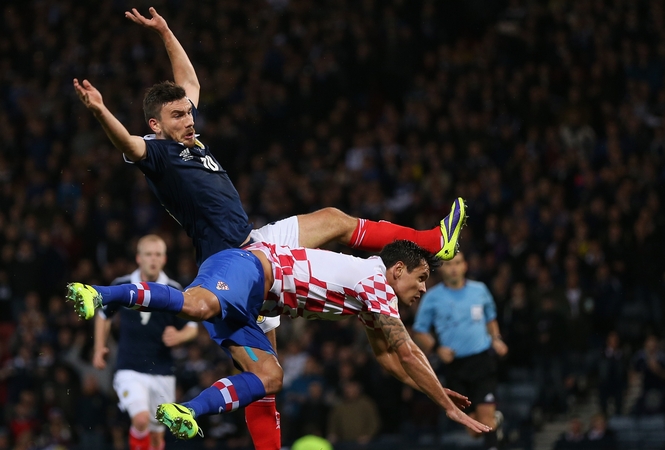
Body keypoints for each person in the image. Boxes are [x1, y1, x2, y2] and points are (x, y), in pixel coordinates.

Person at [77, 7, 468, 449]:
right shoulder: (157, 154)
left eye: (189, 114)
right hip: (233, 265)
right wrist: (100, 111)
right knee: (264, 375)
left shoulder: (189, 138)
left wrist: (166, 32)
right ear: (155, 125)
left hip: (257, 244)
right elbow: (125, 143)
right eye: (178, 117)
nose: (189, 120)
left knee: (333, 222)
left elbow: (190, 84)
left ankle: (435, 242)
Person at [65, 240, 491, 440]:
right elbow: (407, 350)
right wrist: (446, 406)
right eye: (420, 279)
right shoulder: (376, 281)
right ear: (399, 269)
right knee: (196, 307)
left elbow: (387, 357)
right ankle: (102, 293)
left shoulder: (367, 295)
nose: (421, 290)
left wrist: (430, 387)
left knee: (270, 376)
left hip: (253, 306)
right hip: (247, 268)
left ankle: (188, 411)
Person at [92, 235, 198, 450]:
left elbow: (192, 327)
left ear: (164, 259)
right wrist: (98, 348)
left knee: (157, 437)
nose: (153, 259)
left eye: (157, 254)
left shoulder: (174, 288)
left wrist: (179, 336)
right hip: (129, 368)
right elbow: (104, 315)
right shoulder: (122, 285)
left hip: (162, 371)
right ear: (138, 258)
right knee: (141, 420)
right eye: (148, 254)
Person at [411, 252, 507, 450]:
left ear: (465, 266)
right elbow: (420, 330)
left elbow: (491, 318)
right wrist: (437, 348)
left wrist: (496, 339)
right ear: (442, 269)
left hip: (482, 362)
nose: (453, 268)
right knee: (473, 430)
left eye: (457, 263)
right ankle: (496, 420)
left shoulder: (480, 290)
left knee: (485, 418)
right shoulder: (432, 297)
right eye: (448, 264)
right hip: (455, 366)